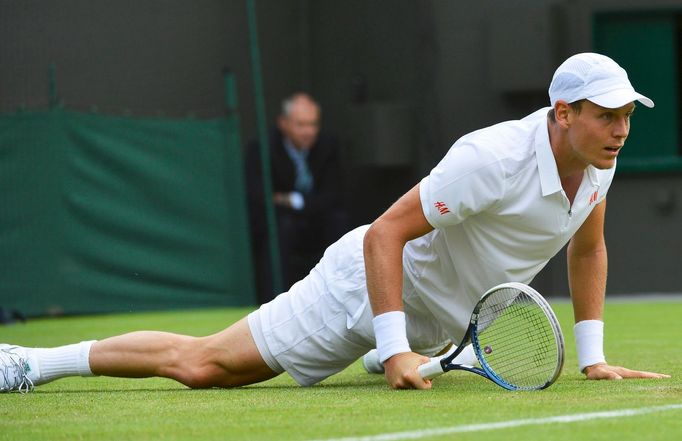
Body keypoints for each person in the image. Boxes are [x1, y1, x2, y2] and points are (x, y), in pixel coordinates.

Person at [1, 53, 670, 394]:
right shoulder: (490, 158)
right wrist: (397, 341)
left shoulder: (599, 160)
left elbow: (588, 248)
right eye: (605, 114)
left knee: (403, 348)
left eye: (626, 115)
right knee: (205, 365)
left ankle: (396, 348)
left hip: (442, 317)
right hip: (364, 283)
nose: (620, 128)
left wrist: (593, 358)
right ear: (562, 113)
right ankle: (34, 362)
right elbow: (384, 234)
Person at [245, 92, 348, 303]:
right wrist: (299, 204)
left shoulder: (328, 145)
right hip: (283, 222)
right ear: (283, 124)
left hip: (317, 219)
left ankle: (340, 295)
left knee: (339, 221)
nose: (309, 131)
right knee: (281, 227)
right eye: (301, 125)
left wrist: (293, 201)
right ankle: (275, 302)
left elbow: (334, 194)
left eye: (313, 124)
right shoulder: (262, 148)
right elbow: (260, 197)